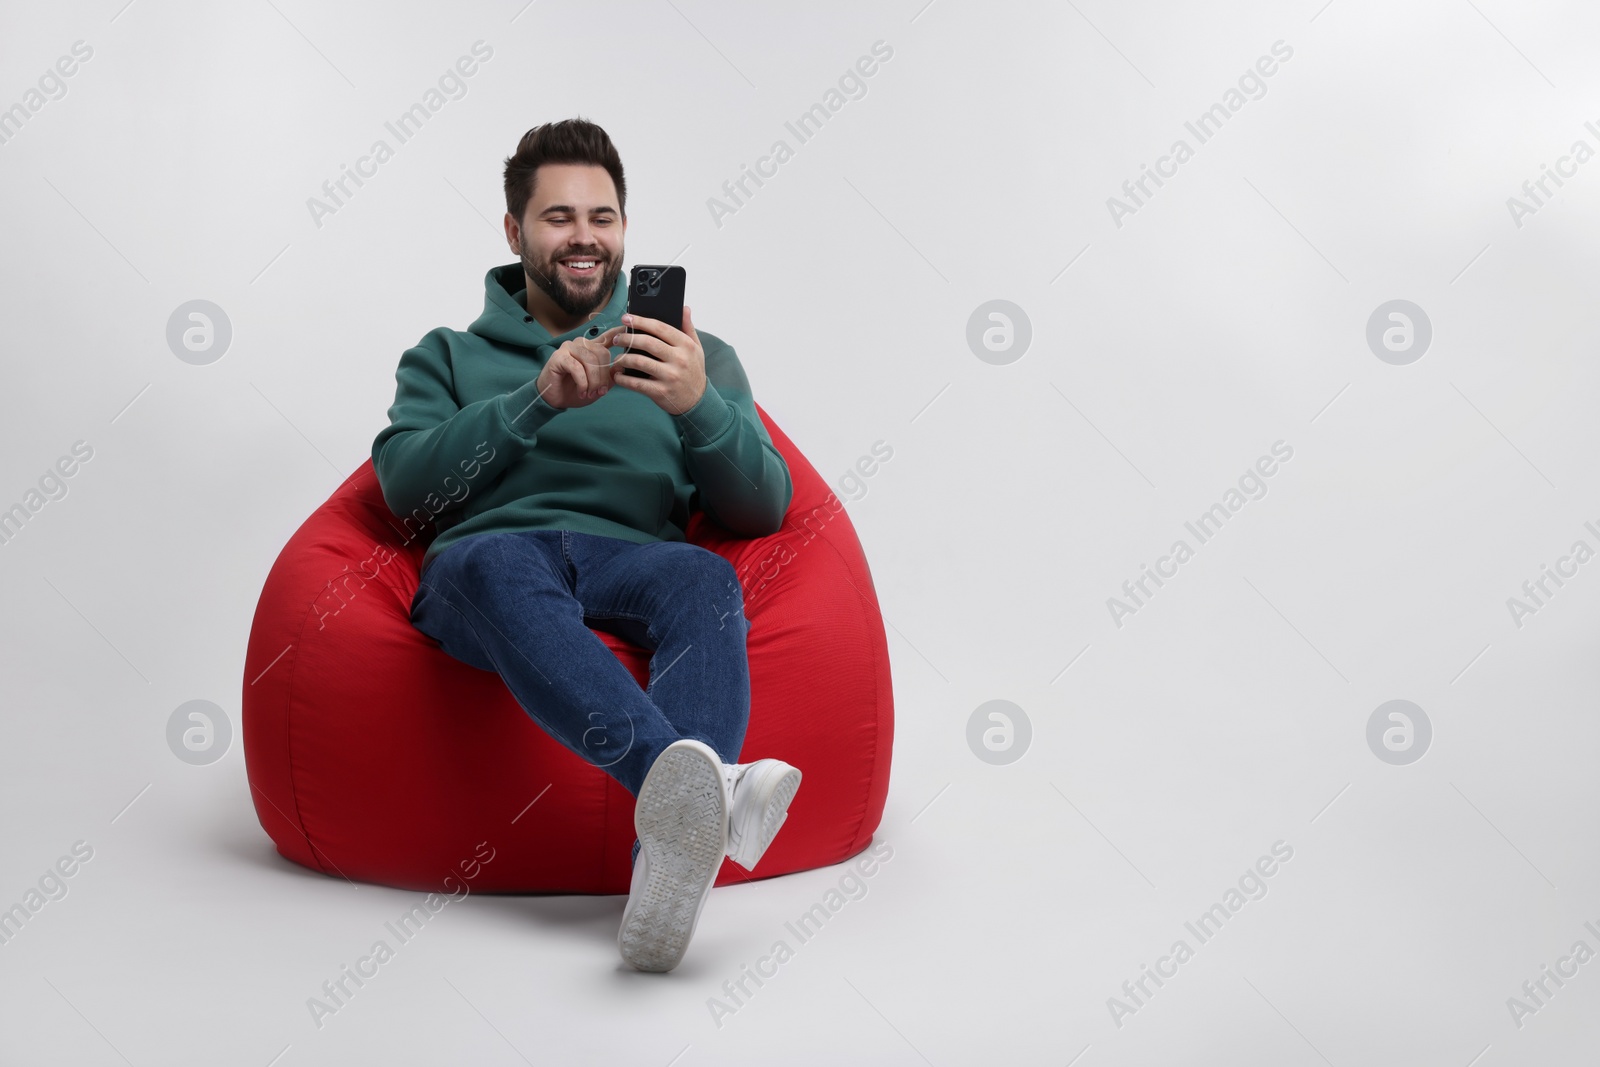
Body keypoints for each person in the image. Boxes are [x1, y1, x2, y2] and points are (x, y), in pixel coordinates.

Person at [370, 118, 802, 973]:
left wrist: (696, 402)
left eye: (602, 218)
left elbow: (764, 506)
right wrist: (534, 400)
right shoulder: (448, 355)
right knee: (496, 561)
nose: (583, 237)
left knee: (706, 578)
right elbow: (406, 489)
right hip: (491, 561)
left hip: (629, 557)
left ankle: (663, 877)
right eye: (558, 217)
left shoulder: (692, 355)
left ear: (624, 231)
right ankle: (706, 790)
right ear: (514, 232)